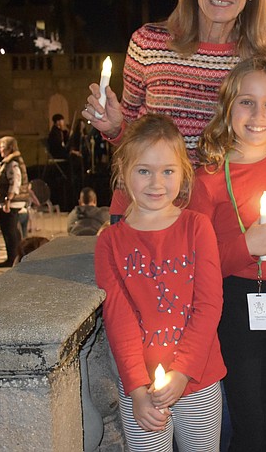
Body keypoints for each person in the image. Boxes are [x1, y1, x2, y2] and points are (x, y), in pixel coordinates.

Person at [81, 0, 266, 222]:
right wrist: (113, 127)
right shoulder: (148, 43)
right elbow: (131, 135)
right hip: (146, 212)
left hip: (228, 214)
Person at [188, 58, 266, 451]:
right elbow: (197, 264)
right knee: (254, 426)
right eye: (246, 102)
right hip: (239, 308)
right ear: (228, 106)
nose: (258, 115)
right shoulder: (208, 178)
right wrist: (246, 248)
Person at [94, 114, 225, 451]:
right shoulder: (110, 241)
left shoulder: (197, 227)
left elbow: (208, 305)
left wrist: (182, 373)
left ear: (183, 174)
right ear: (123, 173)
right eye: (144, 171)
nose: (156, 183)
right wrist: (137, 389)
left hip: (198, 380)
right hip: (141, 389)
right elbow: (118, 319)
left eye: (168, 171)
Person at [0, 136, 30, 267]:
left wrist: (8, 199)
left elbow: (15, 182)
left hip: (11, 202)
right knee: (11, 230)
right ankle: (15, 256)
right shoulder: (10, 161)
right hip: (10, 201)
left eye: (1, 147)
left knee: (9, 231)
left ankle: (12, 257)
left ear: (9, 148)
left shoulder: (12, 163)